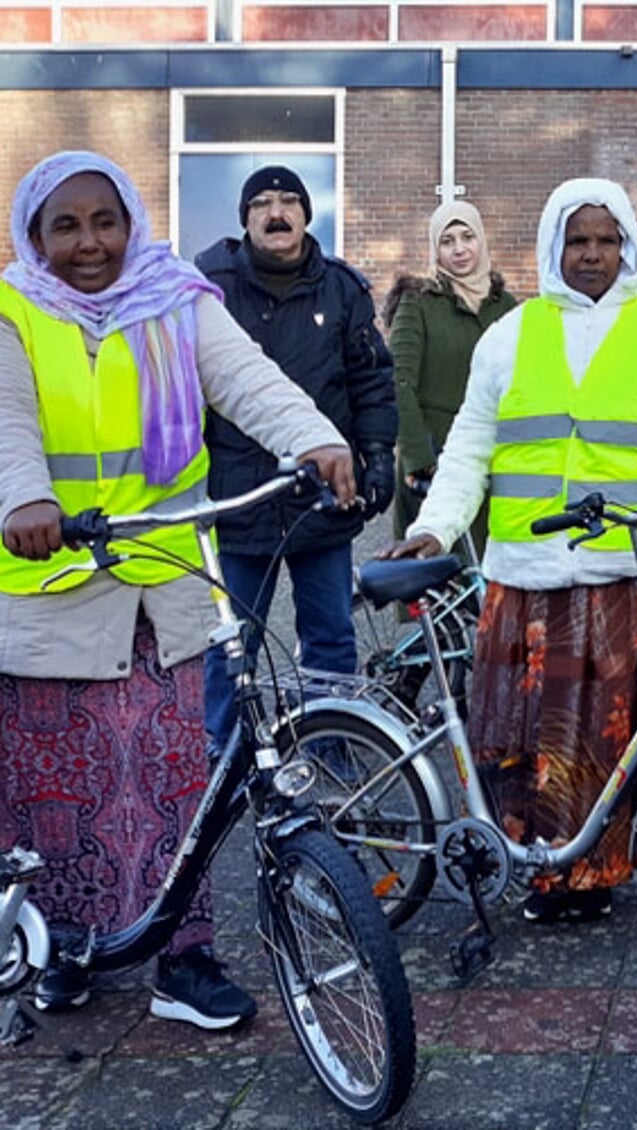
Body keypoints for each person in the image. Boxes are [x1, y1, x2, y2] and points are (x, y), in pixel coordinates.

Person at [0, 151, 356, 1028]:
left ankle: (182, 962)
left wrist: (316, 440)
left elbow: (249, 382)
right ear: (35, 237)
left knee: (170, 787)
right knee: (57, 795)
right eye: (66, 226)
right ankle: (57, 947)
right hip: (55, 587)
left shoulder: (177, 299)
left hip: (165, 583)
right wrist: (24, 496)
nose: (90, 243)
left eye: (105, 220)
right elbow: (6, 418)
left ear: (133, 222)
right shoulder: (13, 311)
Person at [381, 178, 637, 923]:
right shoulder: (508, 335)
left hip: (625, 571)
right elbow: (472, 443)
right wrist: (438, 527)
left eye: (607, 241)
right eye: (578, 241)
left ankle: (603, 868)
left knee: (612, 730)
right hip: (525, 573)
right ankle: (535, 866)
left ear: (628, 248)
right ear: (552, 247)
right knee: (529, 734)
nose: (593, 255)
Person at [194, 166, 397, 748]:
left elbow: (372, 381)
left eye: (288, 201)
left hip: (321, 499)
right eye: (260, 202)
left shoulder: (343, 289)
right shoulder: (209, 288)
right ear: (245, 219)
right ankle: (225, 757)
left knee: (330, 636)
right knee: (233, 642)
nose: (275, 211)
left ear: (307, 215)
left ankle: (332, 749)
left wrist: (377, 454)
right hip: (239, 495)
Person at [385, 201, 518, 551]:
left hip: (495, 458)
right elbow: (399, 381)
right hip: (433, 459)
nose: (459, 249)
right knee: (432, 572)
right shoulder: (419, 301)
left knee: (491, 574)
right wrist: (418, 458)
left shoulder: (507, 308)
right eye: (447, 241)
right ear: (435, 249)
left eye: (467, 237)